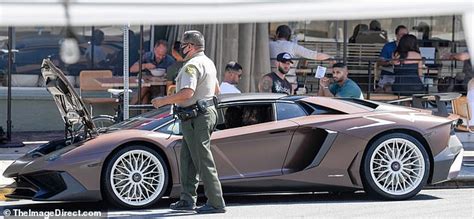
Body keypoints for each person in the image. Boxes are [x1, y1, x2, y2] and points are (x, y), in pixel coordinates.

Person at [150, 30, 226, 214]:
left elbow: (187, 93)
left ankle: (216, 202)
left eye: (183, 46)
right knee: (188, 159)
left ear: (190, 46)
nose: (181, 49)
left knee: (202, 159)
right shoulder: (208, 62)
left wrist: (162, 101)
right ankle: (187, 199)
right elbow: (216, 89)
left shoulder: (191, 65)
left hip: (196, 117)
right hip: (203, 113)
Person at [269, 25, 334, 91]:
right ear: (289, 36)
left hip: (272, 83)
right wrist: (330, 57)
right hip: (290, 84)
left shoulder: (269, 45)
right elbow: (315, 55)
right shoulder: (293, 46)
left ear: (277, 34)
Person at [377, 25, 409, 92]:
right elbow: (380, 62)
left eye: (406, 35)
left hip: (404, 77)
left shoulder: (410, 47)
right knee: (388, 89)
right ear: (396, 35)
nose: (404, 37)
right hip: (389, 75)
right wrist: (390, 62)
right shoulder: (388, 46)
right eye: (402, 35)